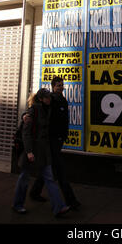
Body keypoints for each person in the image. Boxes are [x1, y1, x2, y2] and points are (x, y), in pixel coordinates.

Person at [12, 88, 70, 217]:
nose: (49, 99)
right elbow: (26, 132)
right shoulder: (34, 110)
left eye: (50, 97)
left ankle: (59, 207)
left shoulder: (48, 108)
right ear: (41, 99)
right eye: (47, 97)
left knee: (49, 178)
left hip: (44, 151)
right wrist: (28, 151)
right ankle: (18, 204)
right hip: (32, 149)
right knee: (24, 178)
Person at [28, 77, 81, 210]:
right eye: (58, 85)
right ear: (53, 87)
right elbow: (36, 109)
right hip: (51, 139)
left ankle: (35, 192)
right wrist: (25, 114)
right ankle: (71, 200)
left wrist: (64, 135)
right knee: (59, 169)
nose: (61, 87)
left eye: (62, 85)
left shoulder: (62, 99)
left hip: (59, 139)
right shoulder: (51, 100)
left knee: (48, 167)